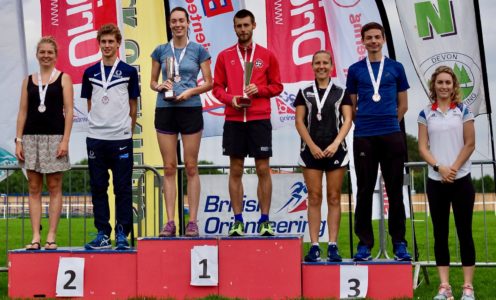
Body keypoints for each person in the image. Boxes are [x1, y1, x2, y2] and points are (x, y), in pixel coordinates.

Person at [213, 9, 283, 236]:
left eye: (246, 25)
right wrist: (230, 99)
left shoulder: (267, 55)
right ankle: (238, 220)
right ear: (234, 28)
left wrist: (260, 90)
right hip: (234, 119)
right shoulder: (224, 56)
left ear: (254, 25)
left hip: (259, 119)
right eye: (238, 26)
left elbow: (277, 86)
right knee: (235, 170)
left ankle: (265, 220)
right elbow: (216, 88)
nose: (242, 30)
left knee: (263, 169)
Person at [346, 22, 412, 261]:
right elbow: (351, 106)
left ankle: (399, 243)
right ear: (362, 41)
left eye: (377, 37)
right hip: (364, 136)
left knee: (395, 192)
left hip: (391, 134)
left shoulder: (396, 67)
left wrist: (389, 124)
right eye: (369, 38)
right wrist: (365, 124)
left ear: (383, 39)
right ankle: (364, 244)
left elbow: (403, 104)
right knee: (364, 191)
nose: (373, 41)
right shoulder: (355, 70)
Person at [150, 7, 212, 237]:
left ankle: (192, 221)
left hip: (190, 108)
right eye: (173, 21)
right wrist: (160, 86)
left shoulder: (198, 50)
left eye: (181, 21)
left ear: (188, 23)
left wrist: (190, 92)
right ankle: (170, 221)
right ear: (169, 24)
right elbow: (151, 82)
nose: (177, 25)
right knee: (168, 167)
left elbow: (209, 82)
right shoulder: (160, 50)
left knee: (192, 166)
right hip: (165, 109)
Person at [417, 66, 476, 300]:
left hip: (461, 180)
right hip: (436, 181)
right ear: (434, 86)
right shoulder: (425, 113)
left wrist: (452, 168)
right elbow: (422, 146)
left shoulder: (463, 111)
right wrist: (438, 167)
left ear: (454, 86)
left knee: (465, 233)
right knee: (440, 234)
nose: (444, 86)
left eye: (448, 83)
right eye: (440, 82)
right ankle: (445, 287)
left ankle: (467, 288)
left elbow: (470, 143)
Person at [81, 24, 139, 250]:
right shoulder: (89, 72)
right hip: (96, 138)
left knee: (122, 188)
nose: (107, 45)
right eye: (103, 42)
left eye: (111, 42)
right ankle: (103, 234)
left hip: (121, 138)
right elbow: (90, 104)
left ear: (118, 44)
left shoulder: (128, 72)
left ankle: (122, 234)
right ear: (99, 44)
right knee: (98, 187)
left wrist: (127, 130)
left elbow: (133, 106)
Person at [15, 36, 74, 251]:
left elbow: (69, 112)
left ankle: (51, 235)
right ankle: (35, 236)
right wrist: (19, 141)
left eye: (50, 52)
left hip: (55, 139)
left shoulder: (64, 78)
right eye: (42, 52)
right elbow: (22, 112)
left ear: (56, 56)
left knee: (54, 186)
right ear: (37, 55)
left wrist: (65, 140)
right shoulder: (28, 80)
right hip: (31, 139)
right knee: (33, 188)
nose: (46, 56)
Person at [295, 50, 352, 262]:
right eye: (317, 63)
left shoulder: (341, 92)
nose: (321, 66)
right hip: (310, 152)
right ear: (312, 65)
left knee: (334, 197)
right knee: (315, 197)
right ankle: (315, 245)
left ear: (331, 66)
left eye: (325, 63)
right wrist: (311, 146)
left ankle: (333, 245)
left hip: (336, 151)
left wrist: (336, 143)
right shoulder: (304, 91)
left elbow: (347, 120)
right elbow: (299, 121)